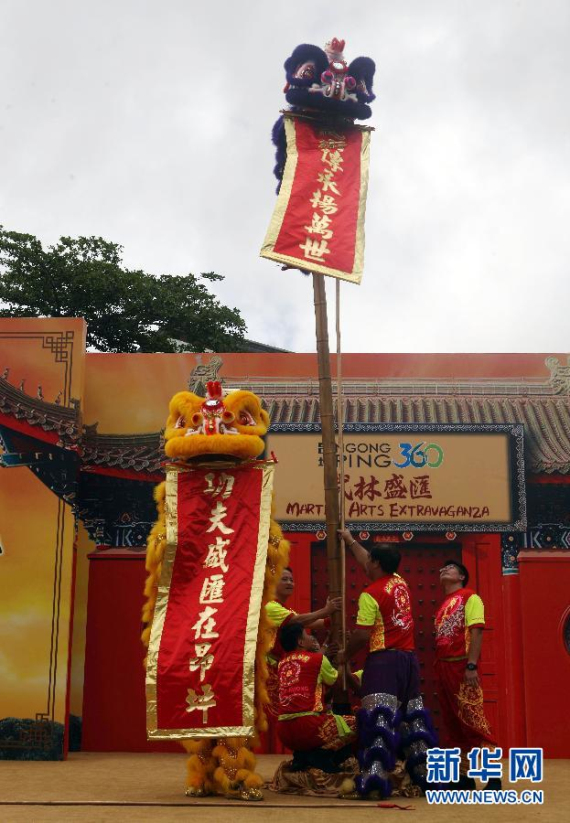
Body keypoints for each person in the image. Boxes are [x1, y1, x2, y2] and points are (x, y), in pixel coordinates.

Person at [337, 529, 437, 798]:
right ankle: (425, 778)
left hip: (384, 662)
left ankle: (374, 782)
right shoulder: (399, 582)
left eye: (370, 559)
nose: (366, 562)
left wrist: (345, 655)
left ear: (376, 563)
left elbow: (362, 635)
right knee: (414, 720)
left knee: (378, 719)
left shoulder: (370, 593)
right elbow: (366, 561)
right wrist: (350, 541)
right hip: (409, 661)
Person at [435, 560, 500, 790]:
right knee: (454, 725)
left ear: (461, 577)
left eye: (450, 568)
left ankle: (493, 777)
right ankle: (463, 778)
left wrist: (471, 665)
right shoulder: (443, 604)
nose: (444, 569)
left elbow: (476, 631)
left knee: (474, 721)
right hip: (444, 667)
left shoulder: (470, 597)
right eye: (443, 568)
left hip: (462, 666)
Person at [276, 620, 357, 768]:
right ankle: (320, 756)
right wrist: (342, 657)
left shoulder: (282, 663)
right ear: (300, 642)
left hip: (283, 731)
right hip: (309, 728)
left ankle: (303, 757)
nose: (310, 637)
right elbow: (337, 681)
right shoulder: (317, 659)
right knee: (359, 723)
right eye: (306, 635)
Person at [265, 567, 342, 718]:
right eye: (284, 579)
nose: (290, 583)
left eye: (291, 580)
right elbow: (297, 620)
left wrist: (332, 619)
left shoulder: (284, 609)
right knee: (273, 714)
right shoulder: (270, 607)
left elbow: (311, 623)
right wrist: (326, 611)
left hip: (281, 668)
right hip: (270, 670)